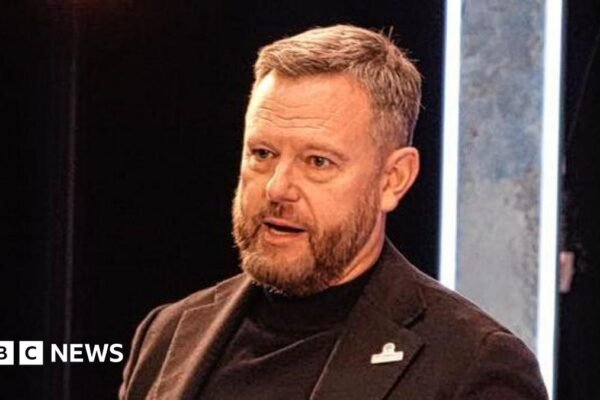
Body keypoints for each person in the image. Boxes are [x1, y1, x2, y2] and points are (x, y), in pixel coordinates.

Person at [119, 24, 548, 400]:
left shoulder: (472, 364)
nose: (277, 188)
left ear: (393, 179)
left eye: (318, 162)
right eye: (262, 153)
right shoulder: (169, 334)